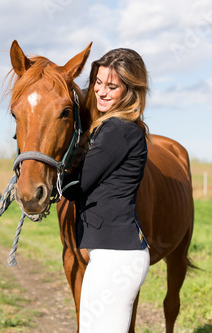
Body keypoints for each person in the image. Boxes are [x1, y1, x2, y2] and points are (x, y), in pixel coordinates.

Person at [62, 48, 151, 333]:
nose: (100, 91)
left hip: (117, 255)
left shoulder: (118, 129)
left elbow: (77, 188)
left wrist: (54, 174)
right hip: (110, 252)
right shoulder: (112, 128)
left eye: (111, 86)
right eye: (98, 82)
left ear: (130, 90)